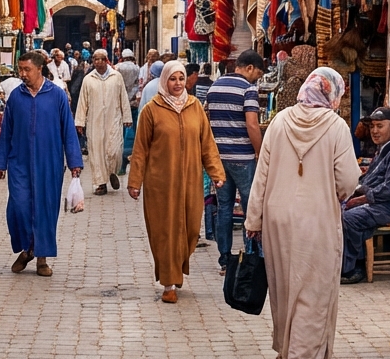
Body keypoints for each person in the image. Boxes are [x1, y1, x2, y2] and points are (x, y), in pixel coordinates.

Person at [244, 68, 360, 359]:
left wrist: (254, 219)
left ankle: (286, 353)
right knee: (313, 290)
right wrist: (336, 194)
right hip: (317, 218)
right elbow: (349, 179)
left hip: (277, 218)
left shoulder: (280, 121)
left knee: (284, 288)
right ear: (331, 93)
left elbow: (262, 175)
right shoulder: (335, 127)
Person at [127, 61, 226, 303]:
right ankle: (169, 283)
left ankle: (176, 267)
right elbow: (140, 149)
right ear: (165, 81)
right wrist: (135, 181)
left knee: (191, 228)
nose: (178, 83)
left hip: (191, 180)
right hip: (161, 183)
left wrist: (216, 172)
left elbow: (207, 143)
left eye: (181, 78)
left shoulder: (195, 108)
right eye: (173, 79)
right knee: (166, 230)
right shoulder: (152, 110)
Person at [0, 51, 84, 276]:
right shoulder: (16, 96)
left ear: (39, 69)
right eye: (20, 70)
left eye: (27, 70)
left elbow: (68, 130)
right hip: (19, 162)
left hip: (49, 162)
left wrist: (74, 161)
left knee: (45, 209)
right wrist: (0, 161)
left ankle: (41, 257)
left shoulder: (57, 95)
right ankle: (27, 248)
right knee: (19, 207)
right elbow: (7, 130)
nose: (22, 74)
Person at [340, 107, 390, 284]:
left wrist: (362, 199)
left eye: (379, 126)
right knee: (335, 210)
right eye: (373, 126)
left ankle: (354, 268)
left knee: (347, 218)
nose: (374, 131)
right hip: (378, 203)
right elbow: (371, 179)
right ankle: (344, 263)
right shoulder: (384, 148)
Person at [205, 50, 266, 273]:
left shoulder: (215, 86)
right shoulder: (248, 89)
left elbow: (208, 119)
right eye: (257, 74)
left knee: (224, 208)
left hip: (219, 158)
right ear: (249, 68)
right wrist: (260, 152)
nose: (256, 79)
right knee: (251, 208)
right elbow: (252, 124)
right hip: (242, 157)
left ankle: (225, 259)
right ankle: (250, 256)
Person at [74, 50, 132, 195]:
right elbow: (83, 101)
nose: (98, 62)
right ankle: (101, 183)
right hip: (95, 121)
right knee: (96, 152)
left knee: (114, 149)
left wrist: (127, 117)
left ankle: (112, 172)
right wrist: (80, 122)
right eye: (95, 59)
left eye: (101, 59)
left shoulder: (116, 77)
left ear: (106, 60)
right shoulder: (88, 79)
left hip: (114, 119)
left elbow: (123, 97)